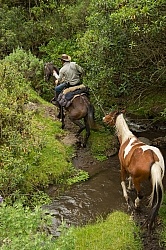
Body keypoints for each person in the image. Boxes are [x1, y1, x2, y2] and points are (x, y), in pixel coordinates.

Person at [53, 53, 84, 118]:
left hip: (70, 85)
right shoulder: (74, 64)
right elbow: (82, 71)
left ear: (62, 61)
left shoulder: (62, 69)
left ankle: (57, 102)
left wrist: (55, 74)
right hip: (78, 83)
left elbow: (59, 79)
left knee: (57, 89)